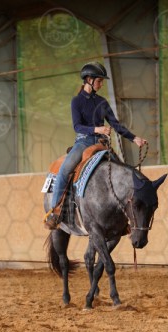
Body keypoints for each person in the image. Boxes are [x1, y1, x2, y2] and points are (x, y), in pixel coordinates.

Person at [45, 61, 148, 229]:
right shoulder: (76, 101)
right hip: (83, 142)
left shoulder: (102, 102)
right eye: (99, 81)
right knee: (64, 171)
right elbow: (77, 126)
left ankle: (122, 220)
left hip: (101, 144)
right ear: (89, 80)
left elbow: (116, 125)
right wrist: (97, 129)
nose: (101, 84)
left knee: (121, 172)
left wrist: (134, 138)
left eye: (101, 81)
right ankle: (55, 212)